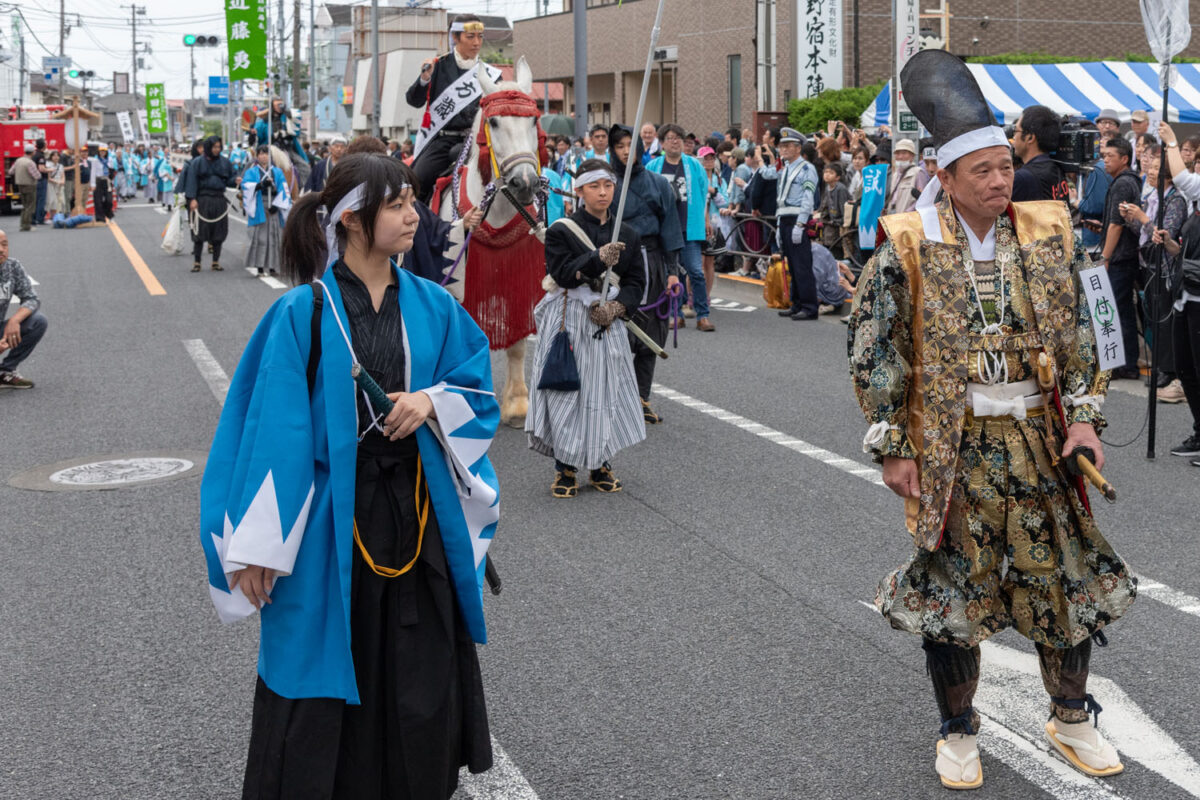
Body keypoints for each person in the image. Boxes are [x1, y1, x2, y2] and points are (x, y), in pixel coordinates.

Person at [849, 49, 1135, 792]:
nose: (1001, 180)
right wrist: (893, 442)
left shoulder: (1049, 235)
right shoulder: (907, 243)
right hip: (953, 448)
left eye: (1006, 166)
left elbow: (1083, 339)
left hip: (1039, 442)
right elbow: (877, 351)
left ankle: (1070, 715)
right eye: (982, 171)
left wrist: (1085, 418)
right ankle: (957, 728)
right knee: (953, 594)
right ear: (945, 177)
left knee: (1065, 582)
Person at [201, 152, 498, 799]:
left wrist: (433, 402)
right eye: (397, 204)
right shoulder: (302, 313)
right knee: (327, 672)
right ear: (353, 220)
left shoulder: (432, 305)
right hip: (332, 524)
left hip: (416, 522)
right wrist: (256, 550)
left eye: (412, 202)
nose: (413, 215)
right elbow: (272, 435)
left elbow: (480, 394)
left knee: (419, 677)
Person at [526, 159, 646, 497]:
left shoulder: (628, 233)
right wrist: (597, 259)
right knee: (567, 391)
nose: (603, 192)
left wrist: (617, 308)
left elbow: (637, 281)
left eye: (608, 185)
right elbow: (563, 273)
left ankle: (600, 463)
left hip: (607, 318)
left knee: (605, 391)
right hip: (570, 318)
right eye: (595, 186)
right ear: (579, 191)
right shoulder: (562, 230)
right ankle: (564, 468)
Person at [609, 125, 684, 423]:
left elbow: (670, 229)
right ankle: (613, 398)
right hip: (618, 265)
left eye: (631, 144)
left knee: (651, 332)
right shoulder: (605, 184)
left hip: (652, 261)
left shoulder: (658, 184)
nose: (627, 151)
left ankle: (641, 397)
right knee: (616, 333)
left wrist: (672, 271)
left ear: (641, 148)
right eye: (620, 146)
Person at [1119, 143, 1187, 394]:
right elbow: (1143, 233)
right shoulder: (1152, 197)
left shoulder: (1176, 199)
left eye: (1158, 168)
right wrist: (1130, 218)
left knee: (1164, 318)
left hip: (1166, 267)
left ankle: (1168, 369)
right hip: (1148, 264)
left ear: (1168, 174)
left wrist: (1142, 217)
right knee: (1152, 318)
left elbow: (1163, 233)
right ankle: (1159, 365)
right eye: (1151, 166)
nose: (1150, 171)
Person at [406, 15, 489, 202]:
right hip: (443, 140)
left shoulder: (489, 72)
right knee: (417, 181)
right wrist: (424, 79)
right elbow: (414, 101)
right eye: (470, 37)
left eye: (480, 36)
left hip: (477, 142)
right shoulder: (438, 66)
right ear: (455, 37)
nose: (477, 42)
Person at [647, 124, 715, 332]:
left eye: (678, 138)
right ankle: (674, 314)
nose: (674, 141)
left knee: (696, 271)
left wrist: (706, 219)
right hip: (664, 230)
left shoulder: (694, 166)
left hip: (689, 226)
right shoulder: (653, 167)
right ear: (662, 143)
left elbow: (704, 194)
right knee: (670, 272)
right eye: (669, 138)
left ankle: (702, 315)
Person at [1096, 137, 1144, 380]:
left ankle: (1123, 364)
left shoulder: (1123, 184)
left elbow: (1116, 224)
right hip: (1124, 255)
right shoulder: (1127, 181)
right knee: (1122, 309)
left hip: (1120, 257)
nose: (1105, 160)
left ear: (1124, 159)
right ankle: (1127, 363)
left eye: (1110, 156)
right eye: (1103, 155)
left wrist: (1105, 256)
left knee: (1115, 310)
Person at [761, 127, 820, 320]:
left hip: (797, 219)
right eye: (781, 146)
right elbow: (781, 198)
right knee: (792, 265)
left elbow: (807, 198)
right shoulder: (786, 169)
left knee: (802, 264)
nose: (783, 149)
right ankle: (796, 303)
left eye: (787, 146)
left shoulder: (806, 168)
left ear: (798, 148)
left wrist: (801, 224)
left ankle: (809, 306)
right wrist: (779, 225)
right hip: (785, 218)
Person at [0, 231, 48, 389]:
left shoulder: (12, 267)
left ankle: (6, 372)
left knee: (38, 321)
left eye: (5, 244)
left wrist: (15, 320)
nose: (1, 249)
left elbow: (31, 298)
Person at [185, 135, 239, 273]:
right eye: (214, 147)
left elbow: (230, 179)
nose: (217, 149)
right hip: (202, 199)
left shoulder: (225, 162)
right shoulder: (197, 162)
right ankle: (197, 262)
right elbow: (191, 181)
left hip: (219, 199)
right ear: (209, 147)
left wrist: (236, 180)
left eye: (219, 147)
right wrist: (192, 199)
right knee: (199, 231)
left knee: (219, 231)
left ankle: (216, 261)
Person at [242, 145, 292, 276]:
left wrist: (277, 204)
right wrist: (260, 185)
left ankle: (272, 267)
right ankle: (259, 267)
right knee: (260, 238)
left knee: (274, 237)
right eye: (261, 153)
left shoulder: (277, 172)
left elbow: (284, 189)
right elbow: (246, 186)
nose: (263, 156)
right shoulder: (252, 172)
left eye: (266, 154)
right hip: (259, 205)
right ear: (257, 156)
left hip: (274, 205)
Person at [255, 97, 311, 189]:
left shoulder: (288, 117)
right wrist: (254, 132)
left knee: (305, 168)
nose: (280, 106)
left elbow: (296, 131)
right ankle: (243, 187)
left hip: (286, 149)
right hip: (268, 150)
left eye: (281, 104)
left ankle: (301, 190)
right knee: (250, 164)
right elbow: (259, 134)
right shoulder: (264, 121)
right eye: (277, 105)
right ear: (272, 106)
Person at [817, 161, 850, 258]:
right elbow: (825, 207)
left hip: (839, 224)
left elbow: (844, 210)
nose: (827, 175)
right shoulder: (828, 188)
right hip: (831, 222)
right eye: (826, 172)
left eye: (831, 173)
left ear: (837, 177)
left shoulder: (840, 189)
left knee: (836, 249)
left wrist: (838, 221)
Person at [885, 138, 920, 214]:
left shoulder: (918, 172)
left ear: (912, 156)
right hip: (893, 215)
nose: (900, 157)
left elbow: (922, 199)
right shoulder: (895, 174)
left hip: (908, 218)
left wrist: (907, 212)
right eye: (897, 153)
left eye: (904, 153)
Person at [11, 145, 39, 231]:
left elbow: (11, 171)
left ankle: (22, 224)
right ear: (32, 152)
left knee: (24, 205)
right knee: (30, 206)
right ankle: (27, 226)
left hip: (20, 185)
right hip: (29, 185)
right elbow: (37, 175)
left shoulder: (18, 160)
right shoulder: (30, 162)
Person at [89, 143, 114, 223]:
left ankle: (108, 214)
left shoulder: (110, 160)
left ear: (106, 152)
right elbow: (93, 173)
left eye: (104, 151)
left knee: (109, 200)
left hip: (107, 181)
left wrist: (112, 180)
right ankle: (100, 218)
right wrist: (92, 184)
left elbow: (112, 172)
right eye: (101, 151)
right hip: (98, 180)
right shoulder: (95, 161)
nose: (102, 152)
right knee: (98, 200)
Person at [32, 139, 49, 226]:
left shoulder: (34, 154)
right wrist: (50, 170)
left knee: (36, 199)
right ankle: (40, 218)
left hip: (35, 180)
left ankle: (34, 218)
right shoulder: (41, 156)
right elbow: (41, 169)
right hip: (41, 180)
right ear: (43, 145)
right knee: (41, 200)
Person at [46, 152, 65, 216]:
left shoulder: (60, 166)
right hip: (51, 185)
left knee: (60, 200)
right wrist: (57, 182)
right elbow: (48, 178)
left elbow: (62, 175)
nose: (56, 157)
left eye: (57, 156)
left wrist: (62, 181)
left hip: (59, 184)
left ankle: (58, 215)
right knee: (52, 200)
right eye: (54, 156)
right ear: (51, 157)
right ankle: (53, 216)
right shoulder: (48, 165)